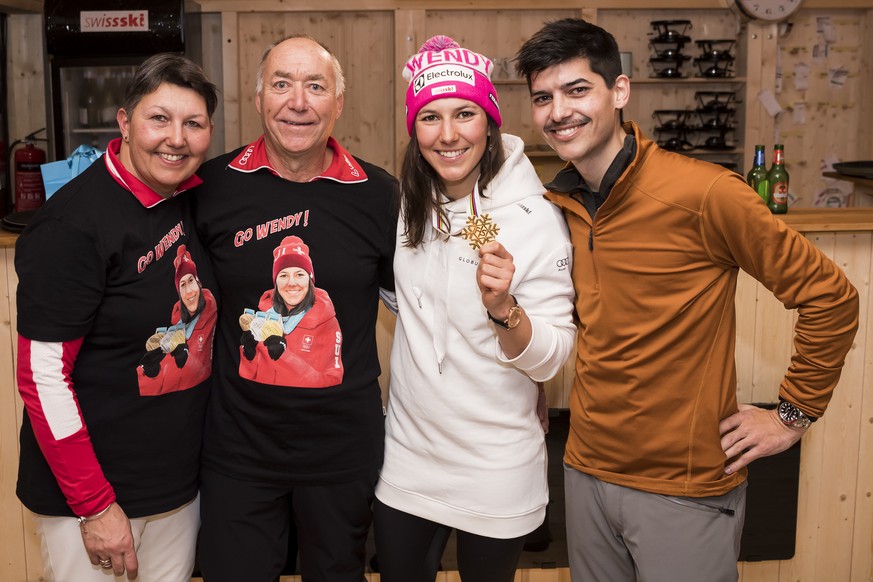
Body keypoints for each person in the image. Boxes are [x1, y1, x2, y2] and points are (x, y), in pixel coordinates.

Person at [514, 18, 859, 582]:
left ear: (619, 91)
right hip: (585, 470)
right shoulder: (557, 205)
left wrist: (792, 415)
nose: (559, 112)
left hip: (683, 486)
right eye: (543, 98)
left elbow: (831, 297)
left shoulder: (705, 193)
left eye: (578, 90)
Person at [190, 35, 398, 581]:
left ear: (338, 102)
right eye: (281, 84)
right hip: (238, 450)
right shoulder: (210, 187)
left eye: (315, 86)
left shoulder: (380, 195)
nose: (298, 102)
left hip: (341, 453)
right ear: (258, 99)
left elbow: (421, 310)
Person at [372, 35, 576, 581]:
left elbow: (550, 361)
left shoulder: (534, 220)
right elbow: (405, 297)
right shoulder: (409, 208)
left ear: (489, 123)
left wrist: (505, 308)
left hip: (495, 464)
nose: (449, 134)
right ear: (415, 133)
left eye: (465, 113)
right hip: (410, 457)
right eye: (430, 117)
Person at [15, 54, 217, 582]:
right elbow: (42, 377)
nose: (176, 138)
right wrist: (94, 506)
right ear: (124, 122)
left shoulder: (190, 199)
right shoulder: (71, 225)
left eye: (192, 124)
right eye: (159, 119)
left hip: (176, 492)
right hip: (95, 504)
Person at [238, 234, 343, 387]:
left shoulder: (326, 322)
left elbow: (331, 380)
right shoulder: (264, 319)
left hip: (306, 408)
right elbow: (254, 377)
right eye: (283, 275)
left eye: (299, 274)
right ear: (276, 282)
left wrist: (284, 355)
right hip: (263, 407)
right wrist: (250, 357)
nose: (291, 283)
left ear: (310, 279)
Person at [138, 244, 217, 396]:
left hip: (201, 388)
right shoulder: (178, 320)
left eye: (191, 281)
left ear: (198, 283)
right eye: (183, 285)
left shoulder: (208, 304)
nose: (189, 291)